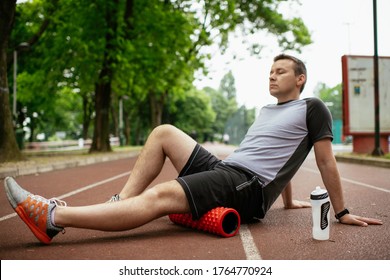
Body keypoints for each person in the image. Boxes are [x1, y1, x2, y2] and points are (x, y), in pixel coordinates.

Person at [4, 54, 382, 245]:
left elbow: (322, 158)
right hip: (228, 169)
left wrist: (342, 210)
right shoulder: (267, 110)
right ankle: (120, 202)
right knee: (164, 131)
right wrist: (286, 201)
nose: (271, 75)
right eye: (270, 70)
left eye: (280, 71)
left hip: (246, 188)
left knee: (165, 194)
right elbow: (279, 153)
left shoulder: (313, 106)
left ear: (300, 79)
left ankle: (53, 217)